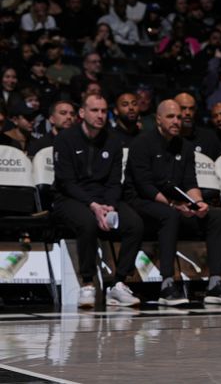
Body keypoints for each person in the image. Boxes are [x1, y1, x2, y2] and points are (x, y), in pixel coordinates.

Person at [124, 99, 221, 306]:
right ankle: (167, 284)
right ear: (158, 119)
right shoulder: (141, 144)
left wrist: (197, 203)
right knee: (169, 215)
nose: (176, 121)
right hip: (142, 202)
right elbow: (145, 186)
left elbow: (190, 182)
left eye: (179, 117)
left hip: (176, 203)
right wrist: (174, 205)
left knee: (214, 215)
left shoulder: (185, 147)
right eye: (171, 116)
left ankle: (215, 283)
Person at [52, 94, 143, 308]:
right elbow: (66, 182)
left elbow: (114, 182)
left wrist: (109, 206)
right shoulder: (65, 139)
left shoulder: (113, 141)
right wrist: (93, 206)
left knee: (134, 224)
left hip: (104, 198)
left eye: (104, 111)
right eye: (95, 110)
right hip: (70, 197)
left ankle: (118, 284)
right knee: (87, 223)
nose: (100, 115)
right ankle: (87, 283)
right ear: (82, 113)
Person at [174, 92, 221, 160]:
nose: (188, 113)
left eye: (191, 109)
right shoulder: (167, 138)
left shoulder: (209, 138)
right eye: (183, 108)